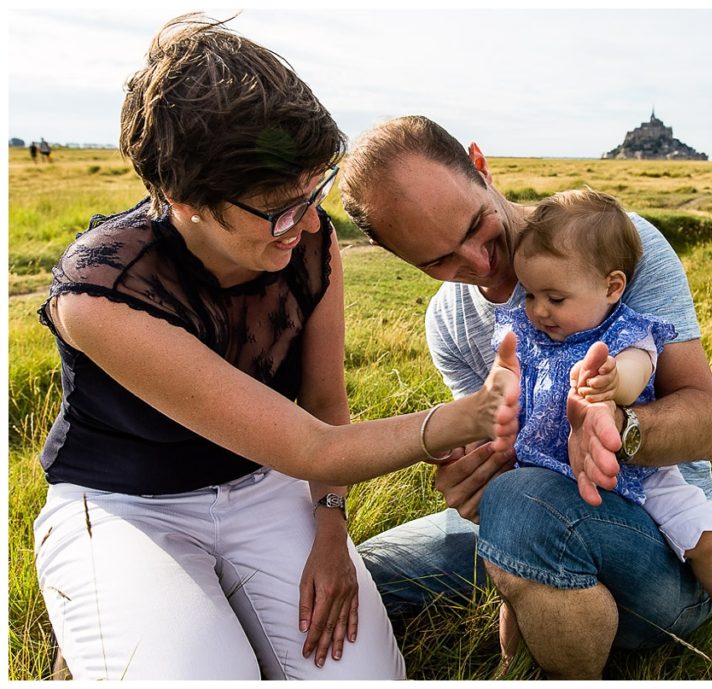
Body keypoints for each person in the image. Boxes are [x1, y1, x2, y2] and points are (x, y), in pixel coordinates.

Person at [32, 17, 518, 681]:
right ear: (185, 199)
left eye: (313, 189)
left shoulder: (308, 241)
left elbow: (323, 402)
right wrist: (468, 416)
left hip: (264, 486)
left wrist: (329, 529)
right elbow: (309, 444)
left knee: (362, 675)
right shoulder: (99, 291)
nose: (311, 222)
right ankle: (109, 610)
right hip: (126, 504)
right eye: (280, 208)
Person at [342, 115, 712, 679]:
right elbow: (499, 455)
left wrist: (616, 426)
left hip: (667, 546)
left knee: (523, 500)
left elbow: (708, 424)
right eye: (438, 262)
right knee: (363, 576)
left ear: (480, 165)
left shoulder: (613, 247)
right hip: (533, 520)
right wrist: (473, 479)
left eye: (477, 226)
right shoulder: (447, 323)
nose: (477, 265)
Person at [491, 188, 712, 644]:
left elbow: (637, 371)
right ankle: (511, 662)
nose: (538, 310)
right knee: (518, 582)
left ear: (612, 287)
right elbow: (505, 380)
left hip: (640, 474)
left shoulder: (627, 331)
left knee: (701, 528)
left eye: (555, 297)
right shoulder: (526, 331)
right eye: (531, 294)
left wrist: (612, 383)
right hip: (543, 468)